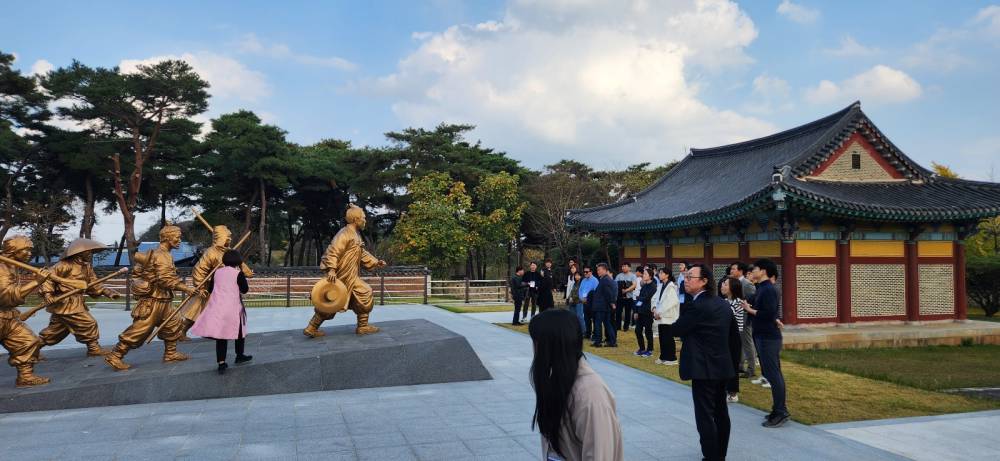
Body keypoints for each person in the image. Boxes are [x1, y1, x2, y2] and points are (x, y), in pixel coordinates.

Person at [530, 309, 623, 461]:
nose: (534, 349)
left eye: (537, 342)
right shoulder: (558, 378)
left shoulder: (591, 394)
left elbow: (600, 455)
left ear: (553, 345)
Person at [672, 263, 740, 461]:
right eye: (685, 277)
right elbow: (733, 339)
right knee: (720, 412)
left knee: (705, 415)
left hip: (703, 368)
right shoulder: (722, 304)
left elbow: (678, 329)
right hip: (721, 366)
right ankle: (720, 454)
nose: (686, 280)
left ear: (704, 281)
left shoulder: (698, 305)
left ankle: (711, 456)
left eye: (689, 277)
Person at [105, 225, 197, 371]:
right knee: (140, 330)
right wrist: (186, 288)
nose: (179, 240)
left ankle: (170, 353)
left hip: (164, 299)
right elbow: (165, 279)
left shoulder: (165, 254)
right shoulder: (161, 255)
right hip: (152, 301)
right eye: (177, 237)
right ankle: (115, 355)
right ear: (167, 237)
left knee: (173, 324)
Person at [37, 238, 120, 357]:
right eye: (88, 252)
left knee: (55, 332)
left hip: (76, 302)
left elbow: (94, 283)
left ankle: (31, 349)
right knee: (89, 323)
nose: (90, 254)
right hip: (66, 302)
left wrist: (107, 292)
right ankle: (93, 348)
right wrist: (47, 294)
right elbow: (48, 279)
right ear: (80, 252)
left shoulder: (87, 267)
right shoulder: (63, 265)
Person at [181, 225, 253, 341]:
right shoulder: (211, 252)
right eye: (227, 238)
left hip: (225, 288)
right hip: (210, 287)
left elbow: (240, 264)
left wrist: (247, 272)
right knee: (196, 311)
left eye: (230, 238)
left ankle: (218, 332)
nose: (229, 240)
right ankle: (181, 331)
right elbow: (199, 269)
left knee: (219, 313)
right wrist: (200, 285)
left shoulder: (229, 252)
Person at [742, 258, 790, 428]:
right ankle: (777, 409)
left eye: (754, 269)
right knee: (770, 373)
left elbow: (768, 313)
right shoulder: (761, 288)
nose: (751, 272)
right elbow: (765, 308)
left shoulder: (769, 289)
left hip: (769, 337)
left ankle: (781, 411)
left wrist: (749, 310)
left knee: (773, 374)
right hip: (762, 335)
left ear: (762, 271)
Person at [0, 236, 52, 387]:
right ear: (13, 250)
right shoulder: (2, 269)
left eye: (30, 250)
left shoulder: (11, 266)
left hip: (8, 317)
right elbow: (5, 296)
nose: (30, 253)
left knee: (28, 342)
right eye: (26, 250)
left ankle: (25, 377)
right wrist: (36, 282)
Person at [190, 250, 253, 374]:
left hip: (218, 307)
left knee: (221, 336)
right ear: (238, 260)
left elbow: (211, 288)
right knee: (239, 332)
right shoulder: (238, 273)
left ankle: (221, 363)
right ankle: (239, 355)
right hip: (233, 307)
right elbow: (245, 290)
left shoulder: (217, 273)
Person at [720, 277, 746, 403]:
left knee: (732, 364)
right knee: (724, 363)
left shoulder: (738, 302)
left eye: (725, 284)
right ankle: (725, 388)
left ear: (732, 288)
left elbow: (729, 319)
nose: (722, 286)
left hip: (734, 336)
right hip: (725, 335)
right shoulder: (725, 301)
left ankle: (732, 392)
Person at [731, 262, 757, 378]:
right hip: (736, 316)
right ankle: (740, 366)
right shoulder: (734, 283)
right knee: (738, 342)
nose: (731, 271)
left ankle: (751, 368)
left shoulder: (747, 284)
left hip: (745, 317)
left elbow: (753, 302)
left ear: (740, 271)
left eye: (733, 269)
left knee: (747, 343)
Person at [652, 268, 679, 365]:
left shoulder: (671, 286)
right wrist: (654, 308)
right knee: (662, 337)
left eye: (662, 273)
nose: (660, 274)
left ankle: (672, 358)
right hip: (660, 315)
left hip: (668, 316)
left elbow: (671, 302)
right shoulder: (660, 285)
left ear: (667, 275)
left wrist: (659, 312)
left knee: (668, 338)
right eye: (659, 273)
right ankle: (663, 356)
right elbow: (655, 298)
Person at [590, 263, 618, 348]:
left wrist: (612, 302)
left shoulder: (605, 280)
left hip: (602, 306)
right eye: (597, 270)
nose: (598, 271)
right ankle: (612, 341)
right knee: (607, 324)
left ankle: (598, 341)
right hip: (605, 306)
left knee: (598, 324)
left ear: (605, 270)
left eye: (599, 270)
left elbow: (608, 293)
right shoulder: (605, 279)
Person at [632, 268, 657, 357]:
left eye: (645, 274)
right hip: (640, 312)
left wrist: (639, 298)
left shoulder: (653, 286)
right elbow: (640, 299)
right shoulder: (644, 286)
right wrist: (636, 311)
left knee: (648, 331)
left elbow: (647, 298)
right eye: (644, 274)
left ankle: (649, 350)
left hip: (648, 312)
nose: (643, 275)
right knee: (637, 330)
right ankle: (642, 348)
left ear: (650, 276)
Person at [614, 263, 637, 332]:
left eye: (625, 266)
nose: (623, 268)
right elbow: (615, 284)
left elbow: (634, 285)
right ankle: (618, 326)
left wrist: (626, 290)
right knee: (618, 312)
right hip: (620, 297)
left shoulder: (632, 276)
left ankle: (626, 327)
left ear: (629, 268)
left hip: (629, 298)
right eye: (622, 266)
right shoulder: (619, 276)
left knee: (628, 313)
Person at [578, 267, 598, 340]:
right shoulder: (583, 280)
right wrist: (581, 298)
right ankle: (588, 333)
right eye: (584, 272)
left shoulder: (595, 280)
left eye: (587, 272)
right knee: (586, 319)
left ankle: (595, 334)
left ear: (591, 272)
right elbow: (580, 290)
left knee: (594, 319)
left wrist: (588, 299)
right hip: (584, 302)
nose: (585, 273)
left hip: (592, 303)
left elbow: (596, 292)